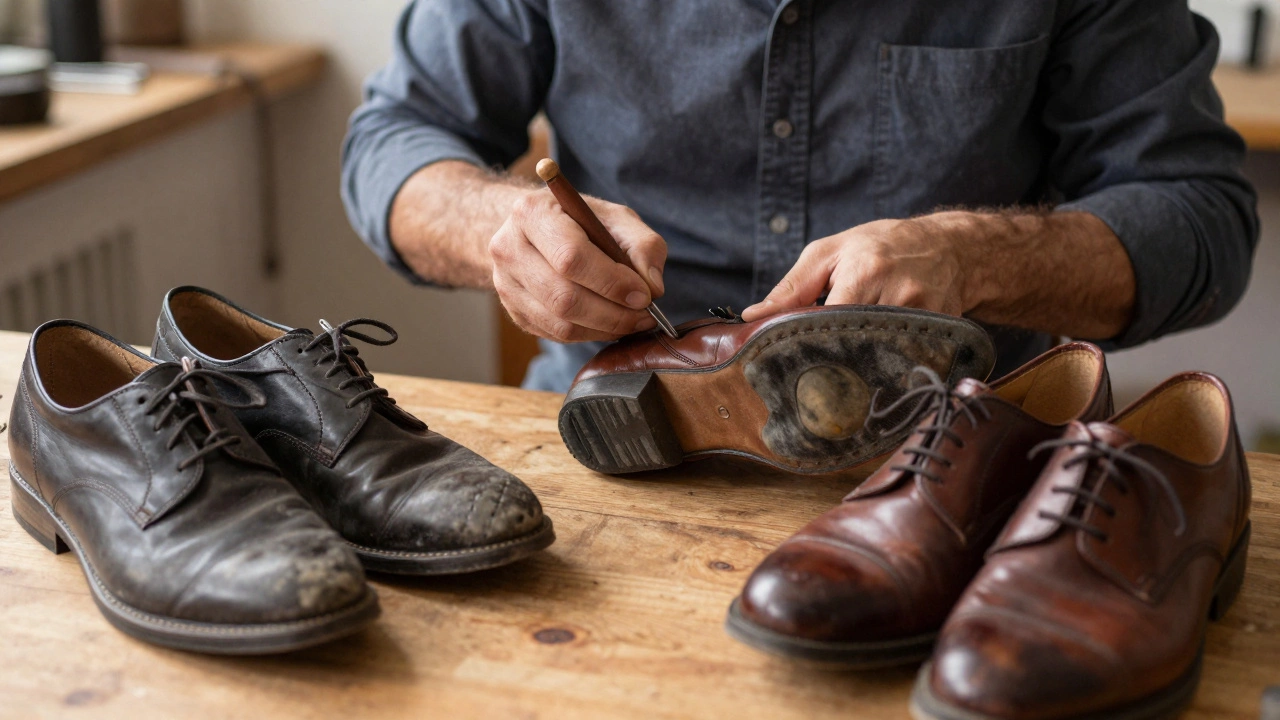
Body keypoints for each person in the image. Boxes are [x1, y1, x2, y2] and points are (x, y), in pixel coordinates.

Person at [341, 0, 1257, 392]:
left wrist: (976, 256)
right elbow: (392, 144)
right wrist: (500, 225)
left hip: (960, 452)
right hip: (612, 419)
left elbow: (1200, 215)